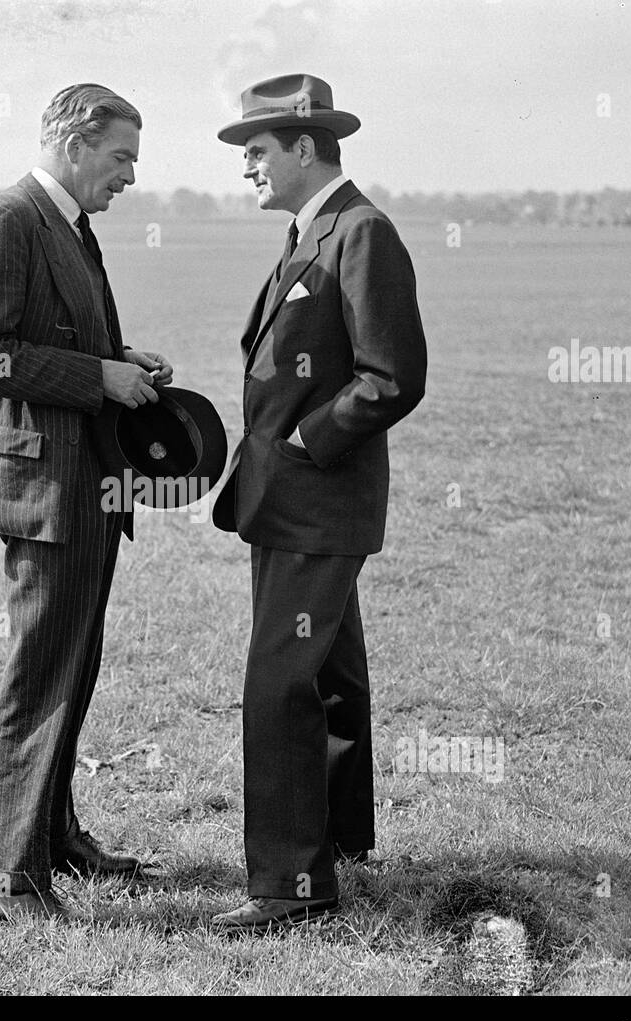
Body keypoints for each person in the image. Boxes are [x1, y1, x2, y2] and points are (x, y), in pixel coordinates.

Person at [0, 83, 173, 921]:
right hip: (43, 487)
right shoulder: (9, 220)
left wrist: (118, 356)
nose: (131, 175)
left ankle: (55, 837)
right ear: (73, 143)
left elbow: (51, 334)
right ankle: (6, 876)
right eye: (121, 157)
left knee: (74, 664)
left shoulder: (68, 225)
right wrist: (96, 376)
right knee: (43, 675)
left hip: (82, 481)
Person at [209, 74, 427, 931]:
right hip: (292, 503)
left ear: (306, 147)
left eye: (257, 152)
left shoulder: (361, 231)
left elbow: (392, 377)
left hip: (317, 500)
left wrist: (307, 440)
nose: (248, 169)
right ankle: (340, 841)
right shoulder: (317, 230)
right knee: (330, 676)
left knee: (278, 686)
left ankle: (290, 886)